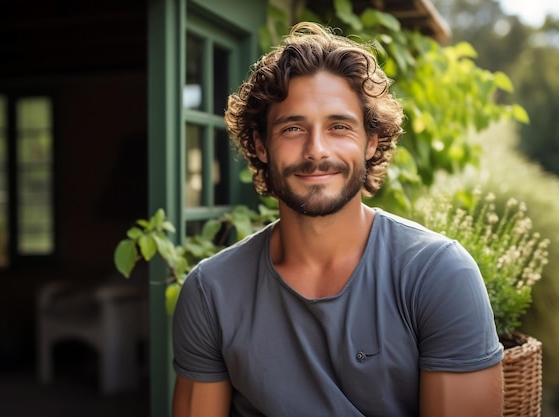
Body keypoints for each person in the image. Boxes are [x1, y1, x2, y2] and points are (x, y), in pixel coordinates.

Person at [171, 22, 504, 417]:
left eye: (339, 127)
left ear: (371, 141)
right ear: (260, 145)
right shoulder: (212, 292)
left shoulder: (437, 274)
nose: (316, 150)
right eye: (292, 128)